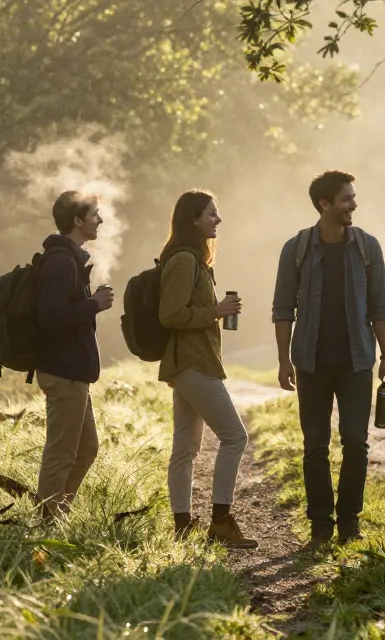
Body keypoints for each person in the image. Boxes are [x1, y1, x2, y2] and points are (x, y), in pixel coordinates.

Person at [273, 170, 385, 545]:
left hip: (357, 362)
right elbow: (282, 309)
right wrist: (283, 360)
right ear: (324, 204)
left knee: (356, 443)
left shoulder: (367, 247)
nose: (353, 204)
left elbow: (381, 307)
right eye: (346, 199)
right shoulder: (296, 249)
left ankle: (350, 522)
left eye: (353, 197)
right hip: (310, 363)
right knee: (315, 446)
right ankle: (321, 524)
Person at [159, 190, 257, 549]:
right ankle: (220, 520)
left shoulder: (196, 261)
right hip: (192, 363)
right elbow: (169, 314)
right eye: (211, 214)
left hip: (191, 363)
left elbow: (183, 310)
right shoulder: (185, 260)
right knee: (235, 437)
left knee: (185, 448)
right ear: (193, 220)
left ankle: (183, 525)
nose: (218, 219)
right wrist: (215, 312)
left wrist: (215, 308)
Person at [36, 191, 113, 520]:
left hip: (74, 374)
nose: (100, 220)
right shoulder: (59, 262)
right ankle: (44, 525)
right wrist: (92, 305)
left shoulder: (71, 259)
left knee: (86, 448)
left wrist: (90, 304)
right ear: (78, 220)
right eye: (95, 214)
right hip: (63, 372)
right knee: (62, 452)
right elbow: (49, 317)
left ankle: (55, 513)